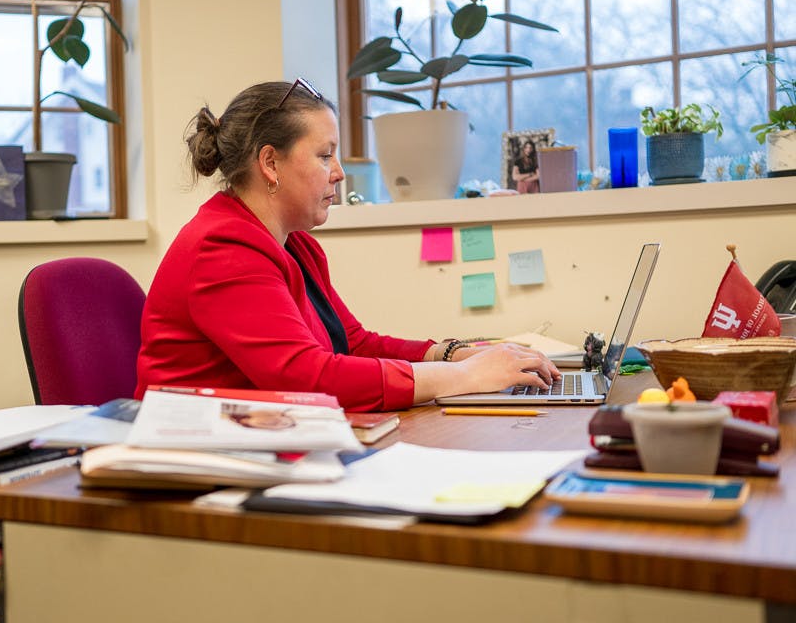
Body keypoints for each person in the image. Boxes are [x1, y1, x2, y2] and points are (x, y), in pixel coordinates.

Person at [135, 80, 559, 412]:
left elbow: (350, 343)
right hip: (195, 455)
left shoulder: (295, 245)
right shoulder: (223, 247)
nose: (338, 172)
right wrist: (465, 376)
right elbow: (307, 378)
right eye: (325, 156)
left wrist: (450, 354)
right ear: (270, 163)